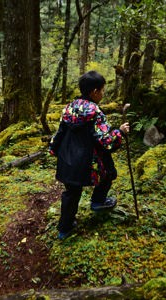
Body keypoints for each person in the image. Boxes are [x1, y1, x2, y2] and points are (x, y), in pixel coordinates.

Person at [49, 71, 130, 239]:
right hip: (89, 161)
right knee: (108, 173)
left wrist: (54, 149)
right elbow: (106, 141)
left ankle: (64, 229)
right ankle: (98, 202)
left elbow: (60, 132)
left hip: (67, 159)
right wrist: (120, 132)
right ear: (94, 91)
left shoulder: (69, 107)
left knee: (71, 192)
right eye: (102, 90)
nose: (102, 93)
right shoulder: (96, 112)